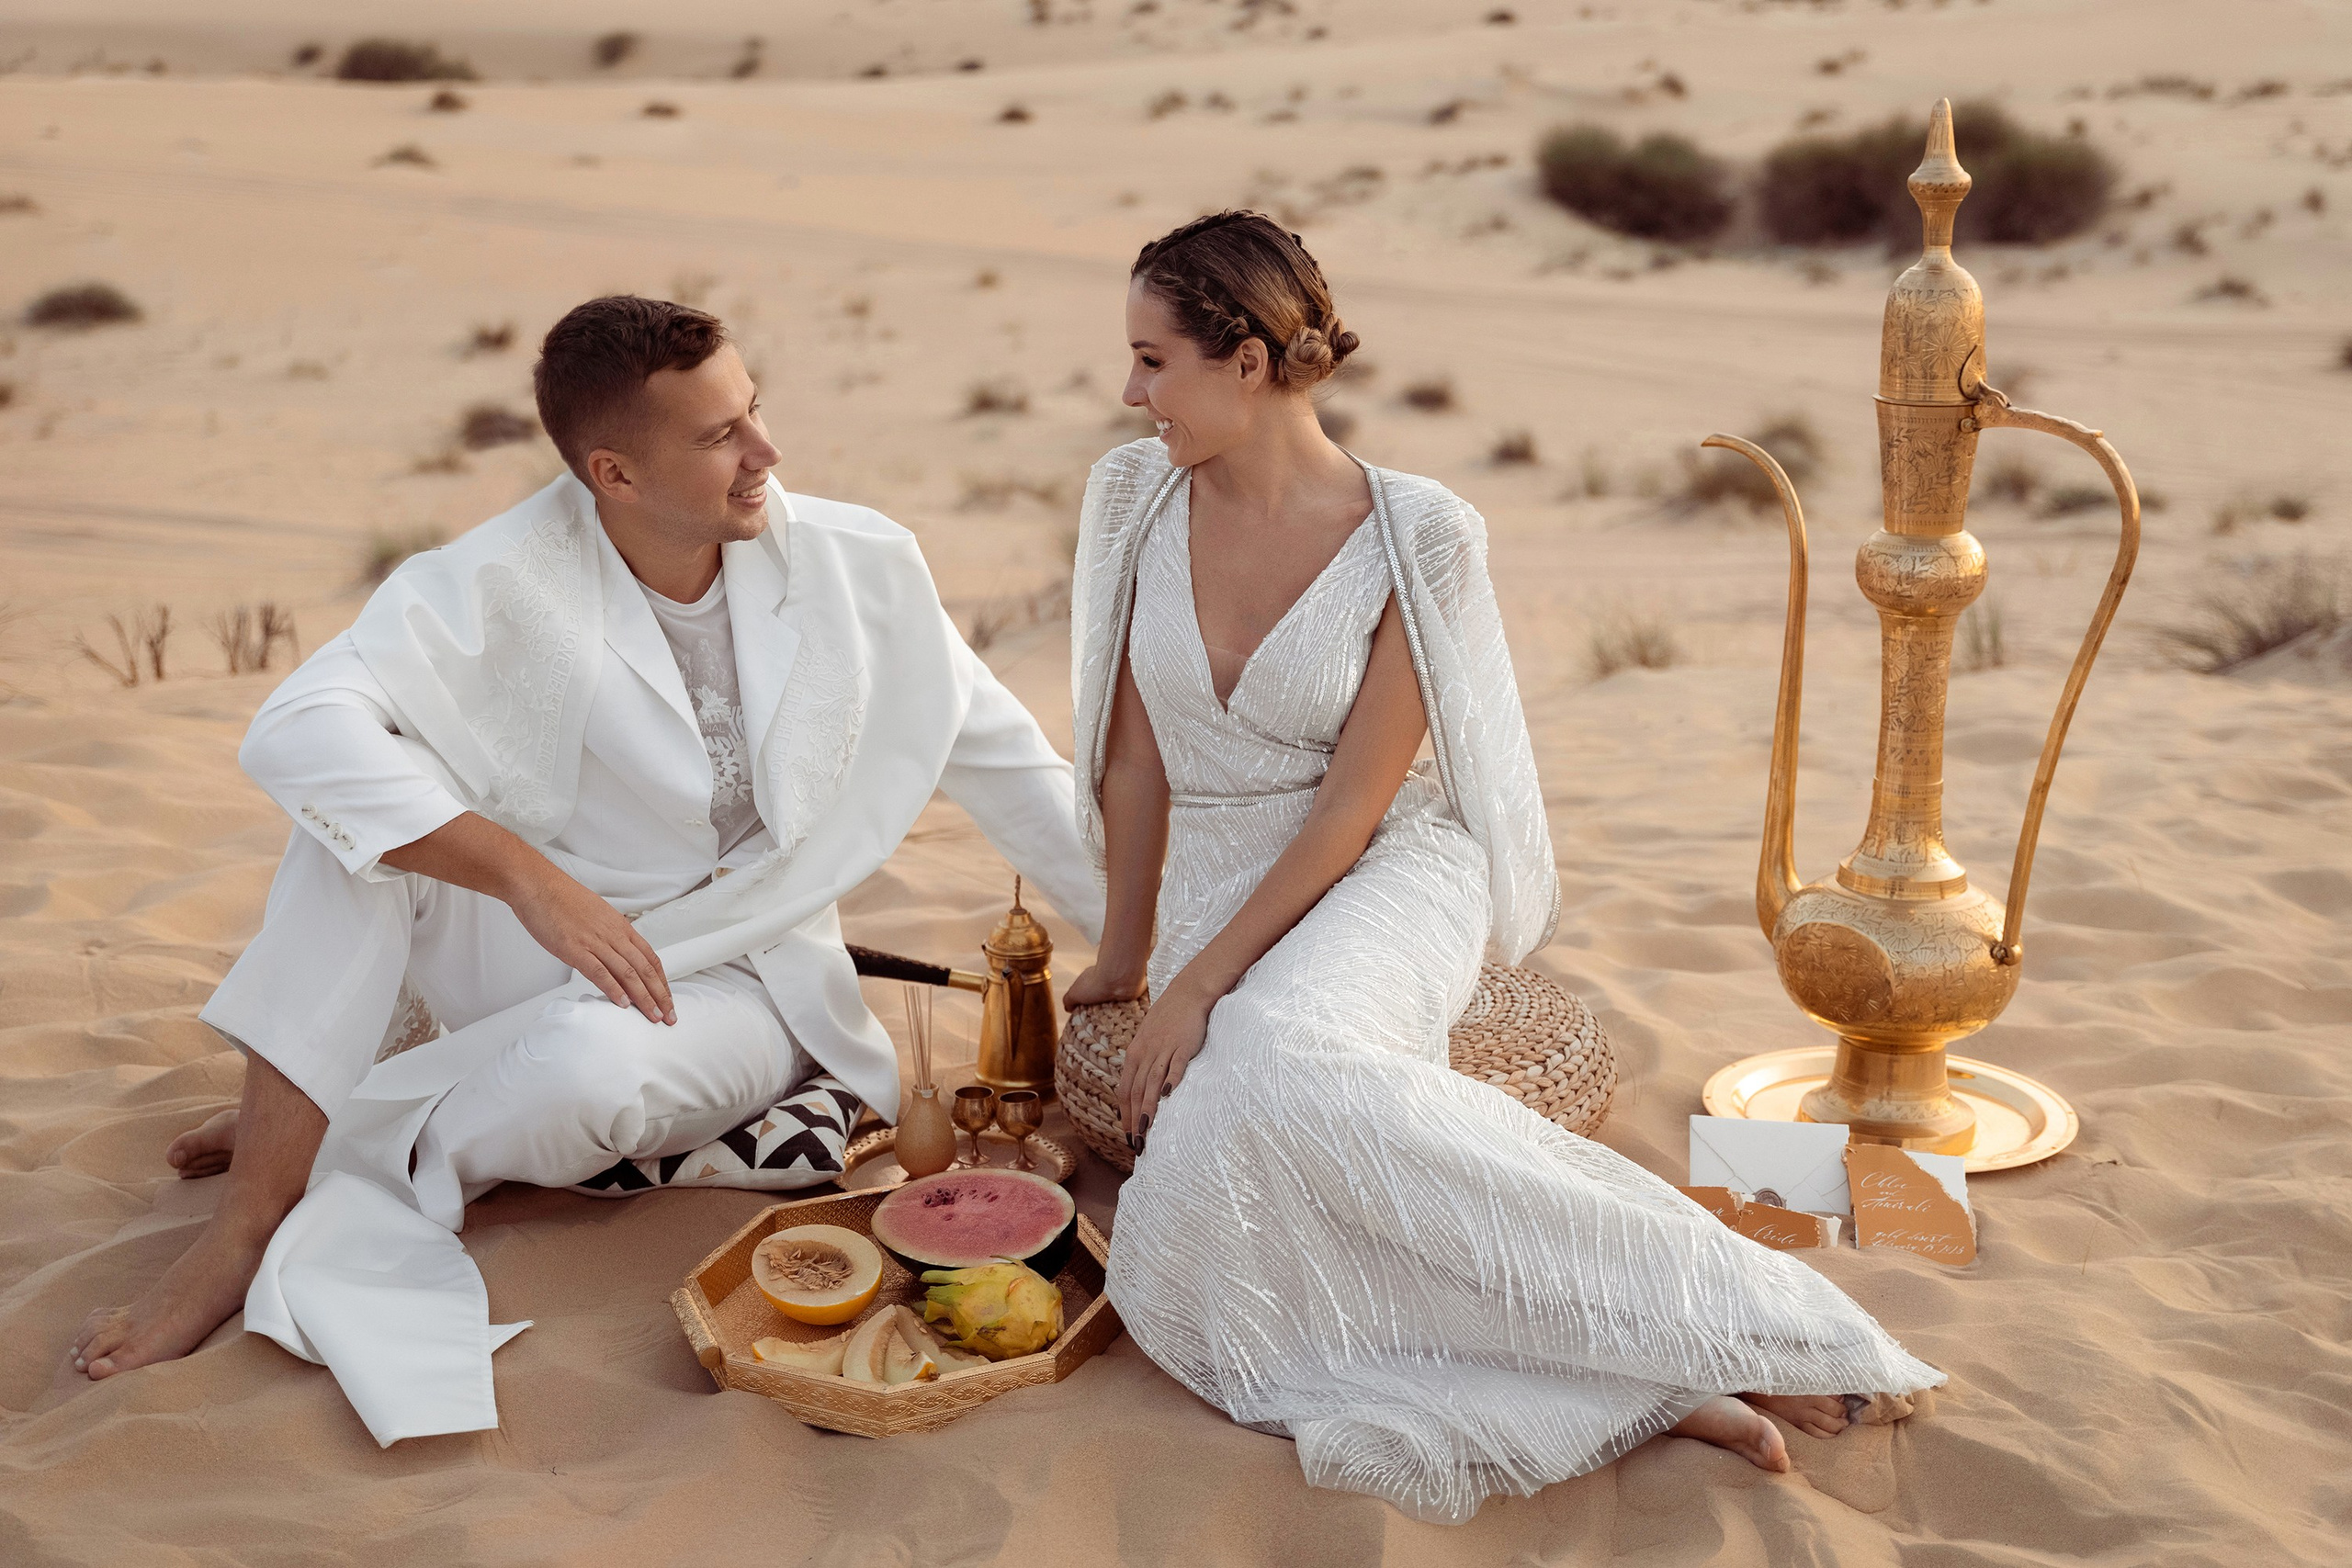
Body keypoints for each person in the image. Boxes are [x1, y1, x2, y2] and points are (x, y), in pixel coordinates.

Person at [72, 297, 1102, 1433]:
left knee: (587, 1082)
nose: (766, 454)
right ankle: (250, 1221)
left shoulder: (860, 569)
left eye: (754, 413)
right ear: (611, 473)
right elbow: (293, 732)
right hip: (534, 942)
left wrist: (1167, 957)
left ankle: (341, 1115)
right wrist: (523, 875)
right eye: (720, 438)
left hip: (730, 974)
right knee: (347, 831)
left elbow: (1017, 774)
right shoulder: (497, 577)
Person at [1059, 212, 1942, 1524]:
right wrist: (1130, 958)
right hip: (1219, 872)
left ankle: (1738, 1317)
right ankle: (1635, 1380)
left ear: (1245, 360)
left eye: (1153, 360)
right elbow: (1130, 763)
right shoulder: (1132, 499)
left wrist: (1195, 988)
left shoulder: (1419, 537)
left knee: (1275, 1069)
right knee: (1221, 1155)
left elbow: (1353, 807)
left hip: (1389, 866)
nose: (1130, 394)